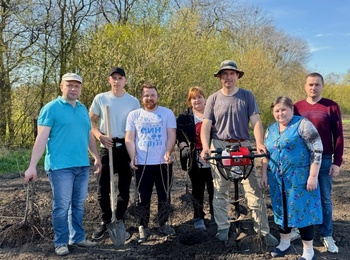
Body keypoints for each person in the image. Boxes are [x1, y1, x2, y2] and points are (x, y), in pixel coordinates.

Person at [200, 60, 278, 245]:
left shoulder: (247, 96)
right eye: (224, 74)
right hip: (220, 145)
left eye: (232, 74)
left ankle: (263, 231)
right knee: (220, 190)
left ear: (237, 76)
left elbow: (256, 120)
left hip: (242, 145)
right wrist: (205, 146)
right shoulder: (213, 98)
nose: (228, 77)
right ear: (220, 77)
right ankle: (223, 228)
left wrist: (259, 142)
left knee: (253, 190)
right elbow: (206, 125)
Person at [24, 73, 102, 256]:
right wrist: (32, 165)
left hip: (82, 165)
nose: (74, 89)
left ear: (81, 88)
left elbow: (89, 135)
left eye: (77, 86)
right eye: (70, 85)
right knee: (61, 206)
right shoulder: (51, 108)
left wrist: (96, 156)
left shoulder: (83, 109)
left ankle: (77, 237)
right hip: (60, 167)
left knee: (78, 204)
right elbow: (41, 138)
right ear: (61, 87)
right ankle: (60, 242)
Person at [261, 96, 323, 260]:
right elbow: (265, 154)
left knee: (303, 212)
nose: (280, 113)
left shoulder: (302, 124)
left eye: (283, 109)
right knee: (281, 211)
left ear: (291, 109)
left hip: (300, 179)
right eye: (276, 110)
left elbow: (317, 149)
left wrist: (313, 176)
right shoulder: (271, 129)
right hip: (277, 180)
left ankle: (308, 251)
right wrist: (263, 173)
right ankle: (284, 243)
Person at [294, 72, 344, 254]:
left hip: (324, 160)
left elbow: (338, 136)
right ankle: (297, 229)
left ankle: (327, 234)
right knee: (300, 195)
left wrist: (337, 162)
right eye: (310, 85)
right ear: (305, 86)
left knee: (324, 198)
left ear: (322, 86)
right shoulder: (297, 107)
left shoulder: (331, 107)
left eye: (317, 84)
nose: (313, 88)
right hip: (301, 161)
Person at [89, 67, 140, 240]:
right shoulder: (101, 98)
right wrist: (100, 136)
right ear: (109, 80)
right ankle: (105, 221)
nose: (117, 81)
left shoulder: (133, 102)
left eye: (120, 78)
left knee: (124, 188)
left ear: (125, 80)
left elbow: (136, 127)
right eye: (114, 78)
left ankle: (119, 219)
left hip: (125, 147)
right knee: (103, 188)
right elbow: (90, 121)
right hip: (106, 146)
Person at [125, 82, 177, 243]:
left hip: (163, 164)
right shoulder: (134, 115)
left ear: (157, 97)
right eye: (146, 95)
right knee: (142, 197)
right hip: (142, 164)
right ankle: (143, 226)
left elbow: (171, 136)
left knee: (164, 196)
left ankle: (164, 223)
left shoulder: (167, 114)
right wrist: (132, 156)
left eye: (152, 95)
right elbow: (129, 139)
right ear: (142, 98)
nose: (149, 98)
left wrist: (168, 153)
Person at [177, 86, 214, 231]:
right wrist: (183, 146)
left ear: (205, 99)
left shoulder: (213, 114)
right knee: (197, 188)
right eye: (193, 98)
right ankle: (198, 217)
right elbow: (178, 134)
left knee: (214, 188)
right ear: (189, 101)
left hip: (212, 156)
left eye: (199, 97)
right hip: (194, 157)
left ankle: (215, 214)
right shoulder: (184, 117)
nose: (197, 100)